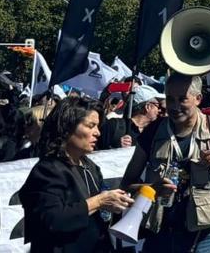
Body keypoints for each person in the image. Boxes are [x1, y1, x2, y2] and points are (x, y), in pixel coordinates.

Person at [121, 74, 210, 253]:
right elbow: (126, 185)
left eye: (182, 99)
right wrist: (152, 188)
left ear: (198, 99)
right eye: (169, 99)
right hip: (161, 233)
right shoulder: (153, 131)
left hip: (204, 235)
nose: (175, 106)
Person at [19, 98, 135, 253]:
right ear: (67, 127)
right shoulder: (47, 170)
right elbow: (53, 220)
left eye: (98, 126)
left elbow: (101, 217)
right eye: (90, 126)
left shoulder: (91, 167)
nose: (98, 133)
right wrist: (99, 201)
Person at [101, 85, 164, 150]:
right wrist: (116, 146)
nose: (160, 110)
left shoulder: (153, 134)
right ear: (148, 107)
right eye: (158, 106)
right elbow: (95, 153)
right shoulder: (114, 125)